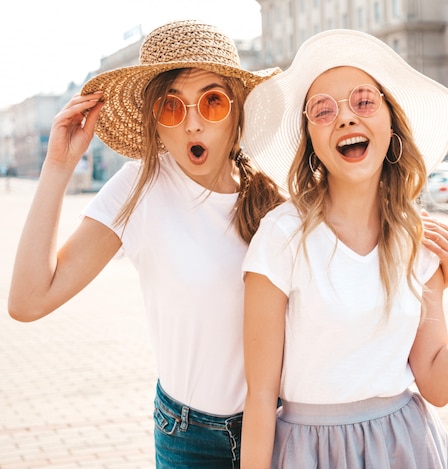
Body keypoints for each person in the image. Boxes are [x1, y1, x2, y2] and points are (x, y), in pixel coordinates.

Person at [239, 29, 448, 468]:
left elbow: (438, 384)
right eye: (323, 110)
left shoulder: (418, 237)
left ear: (390, 122)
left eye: (364, 102)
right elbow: (259, 397)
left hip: (407, 449)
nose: (347, 118)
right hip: (310, 454)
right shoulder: (281, 236)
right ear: (309, 140)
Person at [7, 20, 286, 468]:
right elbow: (27, 300)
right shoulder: (142, 183)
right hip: (188, 437)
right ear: (156, 120)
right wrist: (58, 166)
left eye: (212, 102)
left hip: (280, 427)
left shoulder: (275, 193)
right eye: (173, 108)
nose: (193, 124)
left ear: (237, 109)